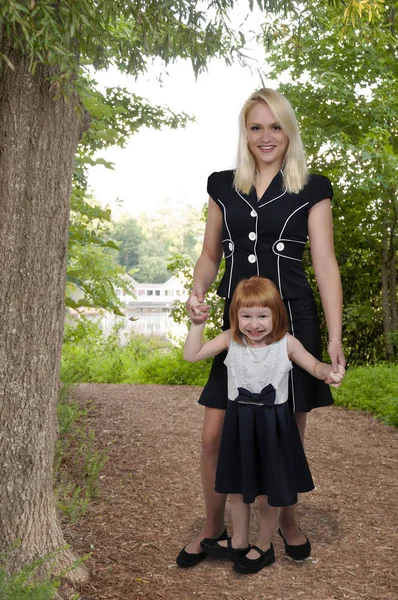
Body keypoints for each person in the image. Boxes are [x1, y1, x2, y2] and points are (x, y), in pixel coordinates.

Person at [176, 88, 346, 568]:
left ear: (289, 131)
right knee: (213, 436)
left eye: (275, 126)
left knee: (283, 434)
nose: (266, 136)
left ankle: (286, 521)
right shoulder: (222, 185)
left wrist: (333, 337)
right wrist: (197, 290)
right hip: (240, 324)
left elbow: (325, 262)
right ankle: (214, 527)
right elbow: (211, 255)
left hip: (293, 318)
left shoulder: (313, 188)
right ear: (244, 132)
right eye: (256, 127)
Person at [183, 276, 345, 573]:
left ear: (276, 316)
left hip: (273, 425)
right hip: (238, 422)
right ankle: (239, 543)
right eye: (246, 316)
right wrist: (197, 325)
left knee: (270, 488)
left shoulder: (287, 343)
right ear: (235, 316)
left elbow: (314, 365)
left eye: (262, 316)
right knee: (236, 486)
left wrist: (329, 372)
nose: (253, 324)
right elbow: (191, 355)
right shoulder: (230, 339)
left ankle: (265, 544)